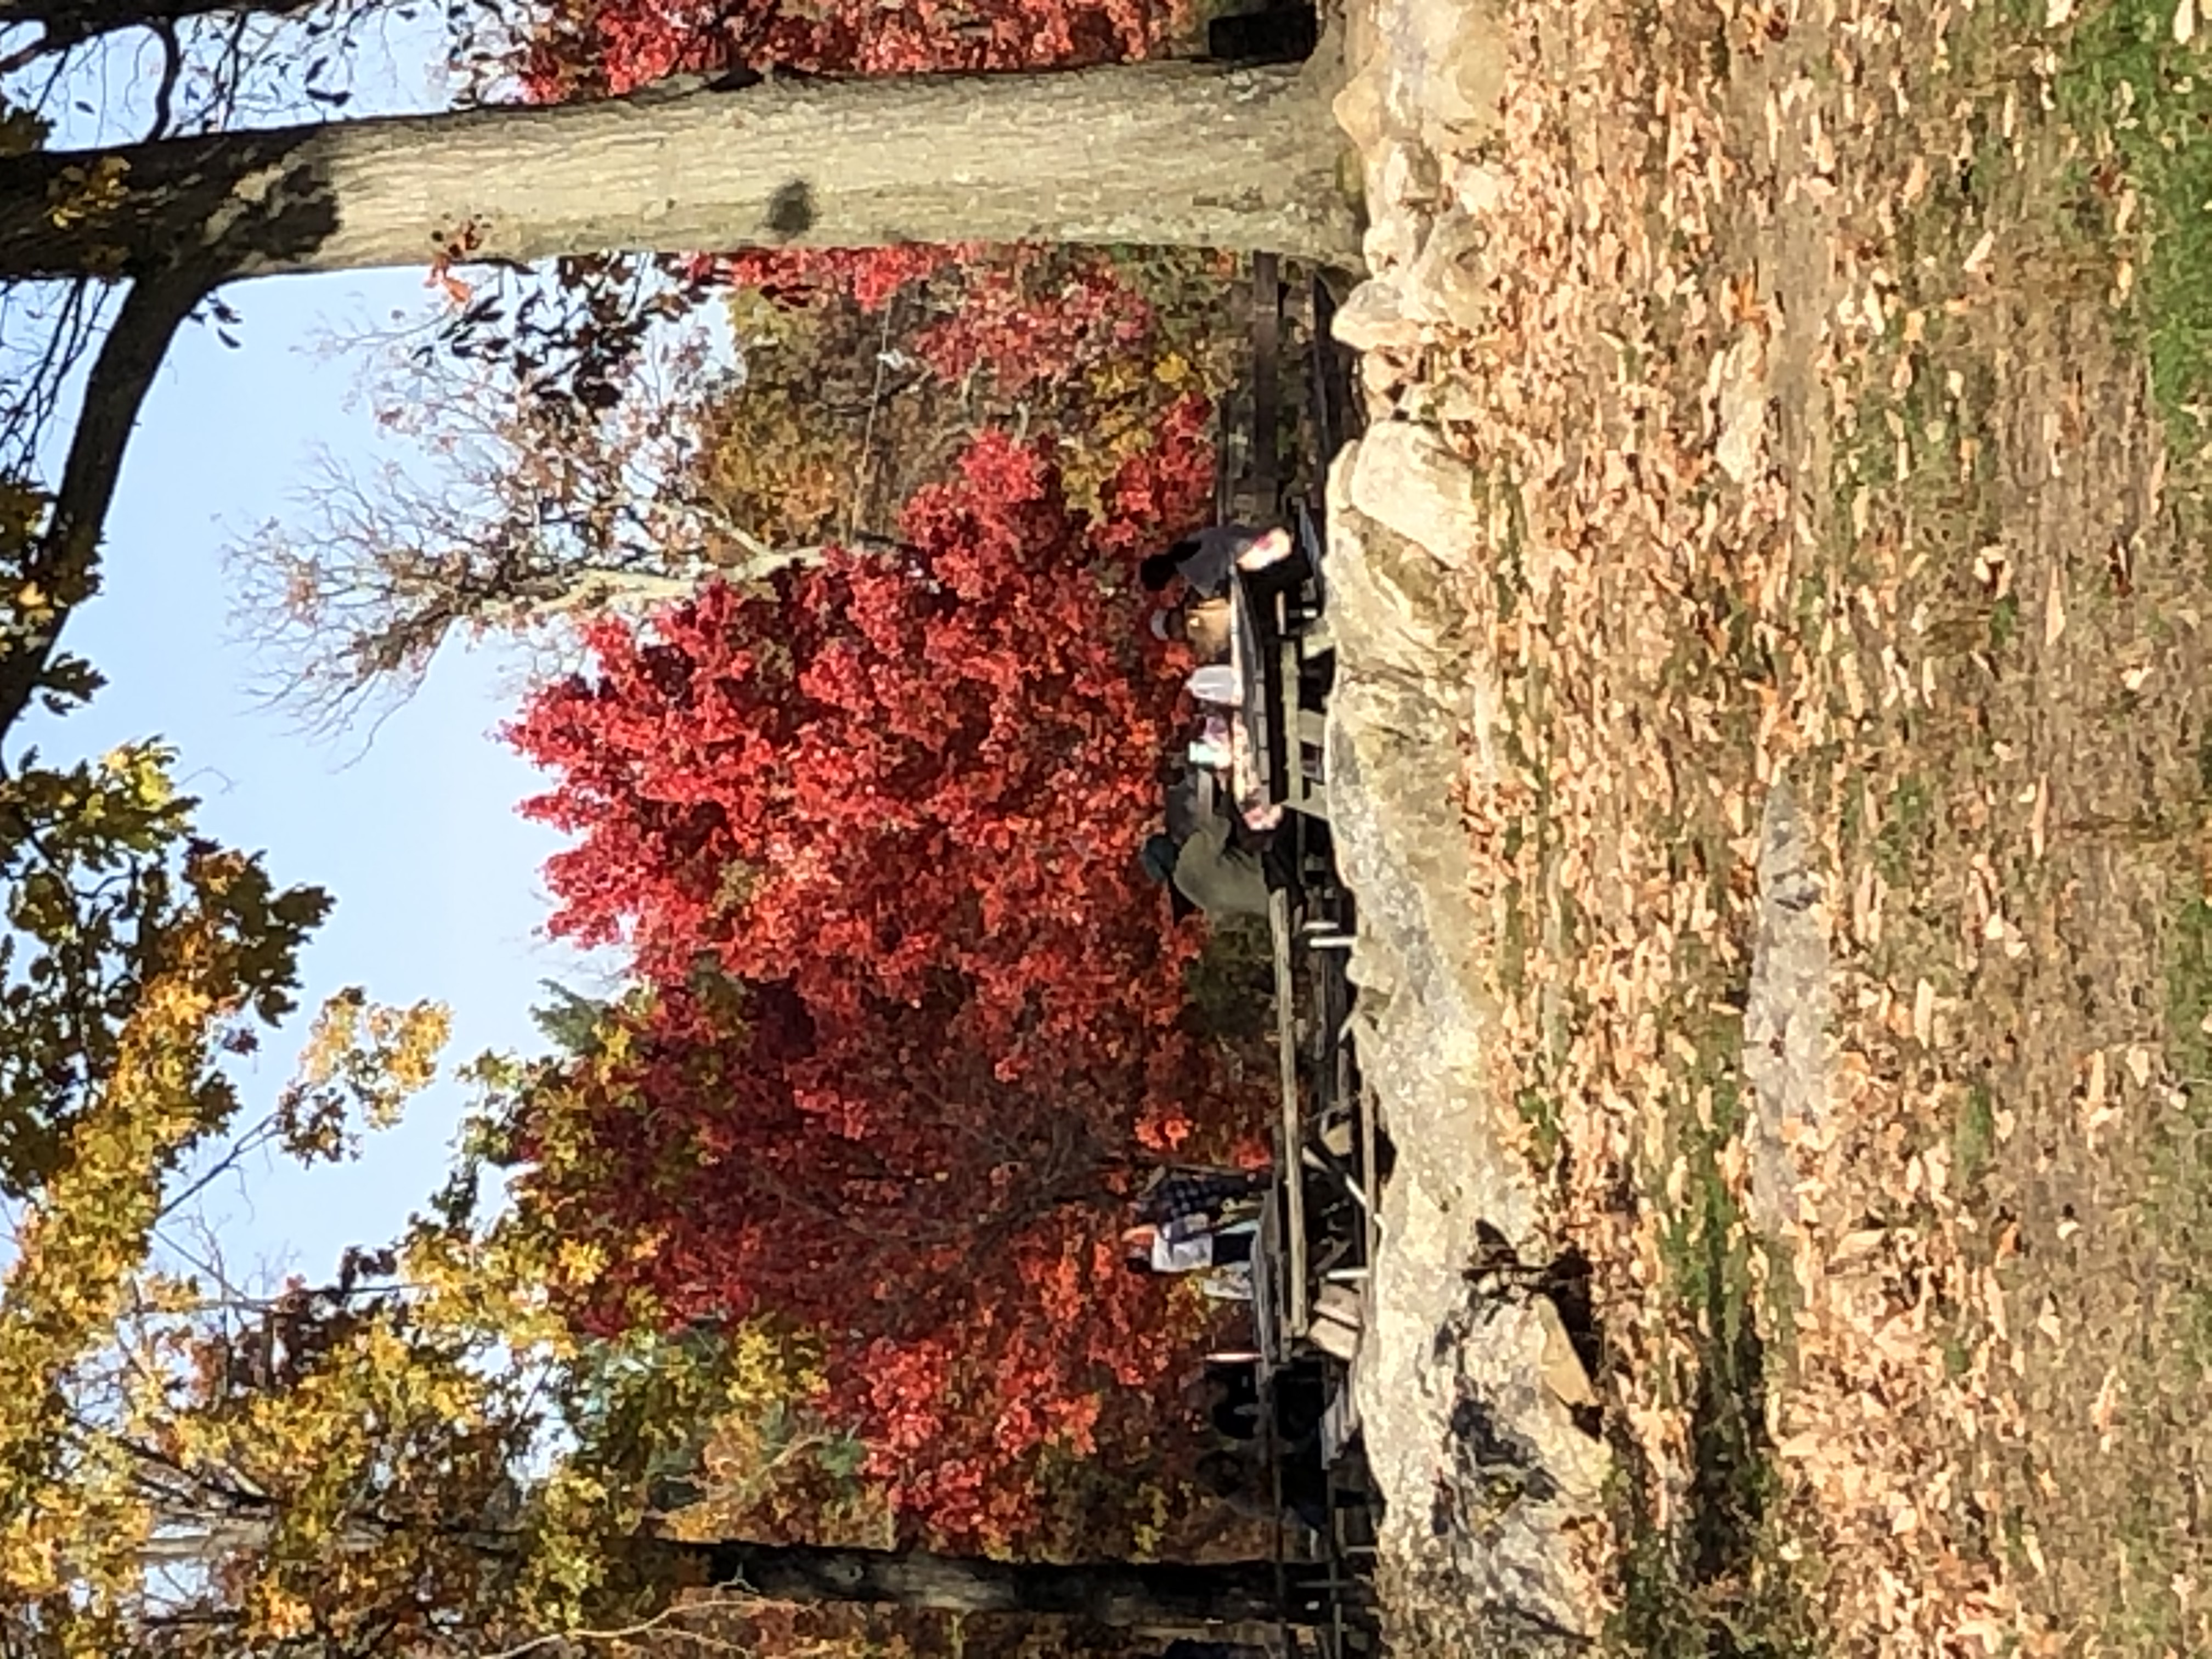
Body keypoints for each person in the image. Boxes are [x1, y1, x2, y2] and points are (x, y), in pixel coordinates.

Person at [1141, 820, 1270, 919]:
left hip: (1267, 905)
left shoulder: (1189, 892)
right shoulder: (1191, 854)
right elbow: (1223, 821)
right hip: (1270, 873)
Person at [1139, 525, 1265, 599]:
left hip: (1256, 559)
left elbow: (1224, 593)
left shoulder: (1197, 577)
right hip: (1255, 538)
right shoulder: (1190, 538)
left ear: (1168, 580)